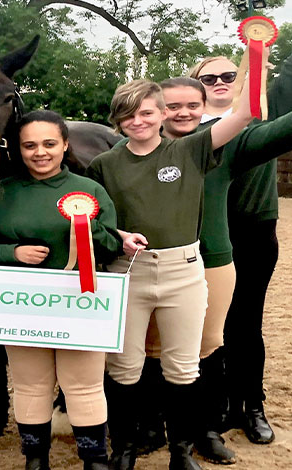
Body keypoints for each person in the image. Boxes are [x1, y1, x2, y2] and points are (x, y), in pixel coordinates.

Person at [138, 77, 292, 464]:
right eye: (172, 106)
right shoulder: (128, 151)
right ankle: (150, 424)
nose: (182, 113)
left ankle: (208, 429)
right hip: (152, 265)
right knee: (152, 350)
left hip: (209, 260)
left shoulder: (222, 146)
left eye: (191, 106)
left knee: (210, 350)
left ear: (204, 108)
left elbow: (286, 130)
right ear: (158, 109)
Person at [188, 0, 292, 445]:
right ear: (195, 88)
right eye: (208, 78)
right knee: (203, 324)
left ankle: (250, 406)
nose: (219, 83)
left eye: (227, 76)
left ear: (240, 79)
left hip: (253, 231)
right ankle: (212, 404)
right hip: (200, 235)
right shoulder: (182, 130)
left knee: (245, 322)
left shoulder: (260, 109)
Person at [85, 78, 253, 470]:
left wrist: (256, 56)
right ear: (117, 120)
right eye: (128, 114)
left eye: (146, 112)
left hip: (184, 272)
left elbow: (244, 113)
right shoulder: (104, 165)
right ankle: (124, 449)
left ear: (162, 113)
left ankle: (181, 451)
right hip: (129, 272)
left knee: (183, 366)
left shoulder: (191, 148)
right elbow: (96, 222)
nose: (138, 121)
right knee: (124, 366)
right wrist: (119, 236)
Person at [0, 110, 122, 470]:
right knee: (30, 386)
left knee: (84, 386)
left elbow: (112, 245)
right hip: (23, 303)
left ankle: (94, 459)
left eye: (49, 143)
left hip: (81, 300)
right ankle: (35, 460)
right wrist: (11, 252)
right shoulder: (3, 192)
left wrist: (86, 231)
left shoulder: (90, 190)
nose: (40, 152)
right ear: (19, 150)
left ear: (65, 144)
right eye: (30, 145)